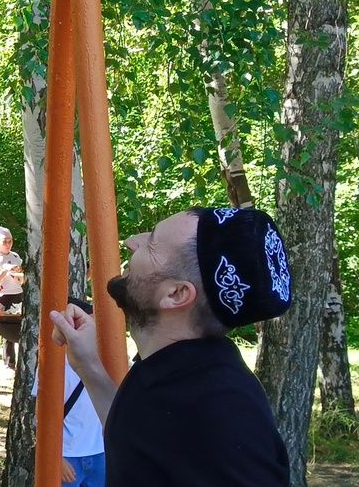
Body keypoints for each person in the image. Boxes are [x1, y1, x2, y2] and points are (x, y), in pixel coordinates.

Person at [50, 207, 292, 485]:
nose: (132, 241)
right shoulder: (180, 372)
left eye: (152, 242)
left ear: (176, 294)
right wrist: (89, 367)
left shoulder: (221, 409)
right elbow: (138, 442)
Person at [33, 297, 105, 487]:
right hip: (67, 456)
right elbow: (41, 414)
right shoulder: (52, 367)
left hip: (101, 453)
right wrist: (56, 457)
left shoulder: (108, 359)